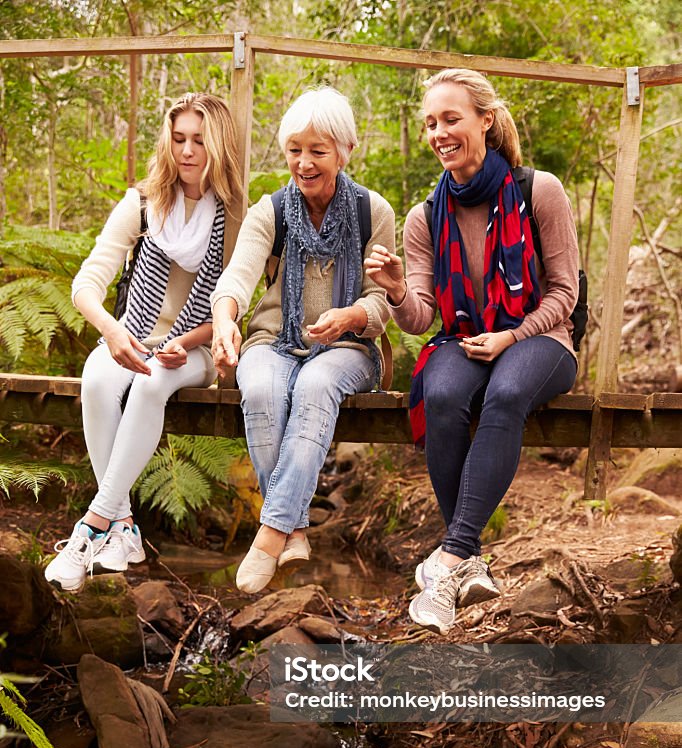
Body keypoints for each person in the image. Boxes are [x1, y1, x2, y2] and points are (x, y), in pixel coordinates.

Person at [365, 69, 579, 633]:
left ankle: (450, 556)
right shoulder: (424, 217)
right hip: (465, 336)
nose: (439, 133)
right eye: (431, 123)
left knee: (507, 392)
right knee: (439, 392)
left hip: (542, 339)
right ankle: (470, 560)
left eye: (451, 119)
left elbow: (565, 291)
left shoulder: (540, 191)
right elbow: (420, 318)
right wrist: (392, 289)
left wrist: (512, 335)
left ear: (486, 119)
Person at [45, 93, 241, 593]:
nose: (188, 151)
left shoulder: (235, 217)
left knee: (152, 383)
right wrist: (112, 333)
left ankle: (90, 527)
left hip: (193, 351)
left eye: (200, 140)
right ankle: (125, 527)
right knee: (95, 378)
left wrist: (188, 342)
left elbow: (237, 302)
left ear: (217, 145)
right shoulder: (141, 204)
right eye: (178, 139)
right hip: (132, 335)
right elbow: (85, 285)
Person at [211, 87, 395, 594]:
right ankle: (293, 529)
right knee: (263, 390)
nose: (304, 162)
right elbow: (237, 279)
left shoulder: (371, 213)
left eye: (318, 150)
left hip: (349, 350)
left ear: (345, 150)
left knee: (314, 386)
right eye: (295, 149)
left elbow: (382, 304)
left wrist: (350, 315)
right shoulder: (270, 212)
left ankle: (270, 534)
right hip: (275, 339)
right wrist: (226, 319)